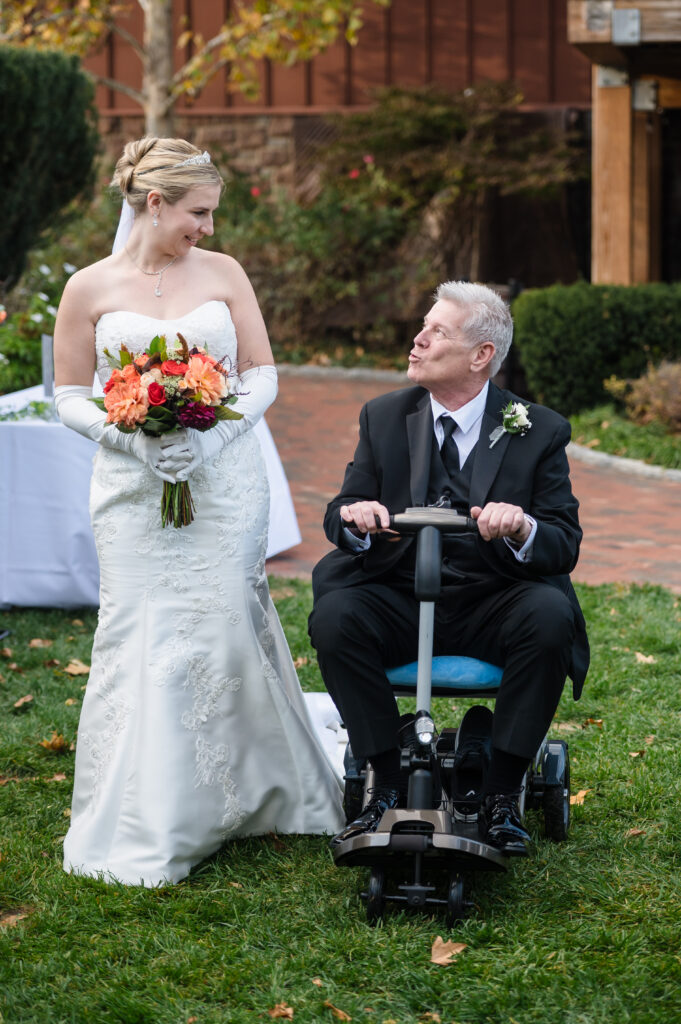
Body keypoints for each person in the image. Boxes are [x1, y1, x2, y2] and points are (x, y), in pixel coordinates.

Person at [53, 136, 343, 886]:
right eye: (199, 213)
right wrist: (134, 447)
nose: (208, 229)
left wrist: (215, 441)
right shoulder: (88, 286)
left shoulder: (224, 273)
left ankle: (253, 793)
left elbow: (262, 372)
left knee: (219, 622)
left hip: (225, 482)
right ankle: (149, 807)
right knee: (137, 629)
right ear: (154, 203)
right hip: (130, 490)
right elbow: (68, 394)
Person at [309, 281, 589, 856]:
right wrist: (356, 518)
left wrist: (522, 526)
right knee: (337, 616)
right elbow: (339, 513)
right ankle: (383, 784)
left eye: (437, 332)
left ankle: (501, 794)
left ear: (481, 355)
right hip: (400, 595)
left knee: (550, 615)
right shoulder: (384, 417)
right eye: (423, 326)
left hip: (495, 600)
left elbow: (562, 541)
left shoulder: (537, 429)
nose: (417, 339)